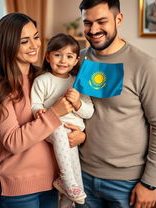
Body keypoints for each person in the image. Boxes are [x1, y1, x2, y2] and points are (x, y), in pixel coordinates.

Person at [73, 0, 156, 208]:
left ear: (118, 19)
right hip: (81, 174)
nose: (93, 30)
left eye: (101, 21)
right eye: (87, 23)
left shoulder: (145, 66)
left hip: (127, 182)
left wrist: (149, 183)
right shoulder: (77, 59)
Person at [0, 13, 75, 208]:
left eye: (36, 37)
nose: (35, 45)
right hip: (18, 190)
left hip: (52, 182)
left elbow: (66, 121)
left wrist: (79, 136)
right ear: (8, 45)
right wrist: (54, 113)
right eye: (24, 41)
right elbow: (12, 142)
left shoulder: (45, 77)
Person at [31, 33, 94, 207]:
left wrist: (78, 103)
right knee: (70, 178)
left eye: (69, 56)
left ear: (76, 60)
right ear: (48, 57)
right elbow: (34, 104)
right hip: (51, 128)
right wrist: (39, 111)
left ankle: (67, 189)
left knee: (76, 189)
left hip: (72, 136)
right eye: (58, 55)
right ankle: (64, 179)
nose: (63, 60)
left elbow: (89, 112)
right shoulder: (42, 81)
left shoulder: (79, 84)